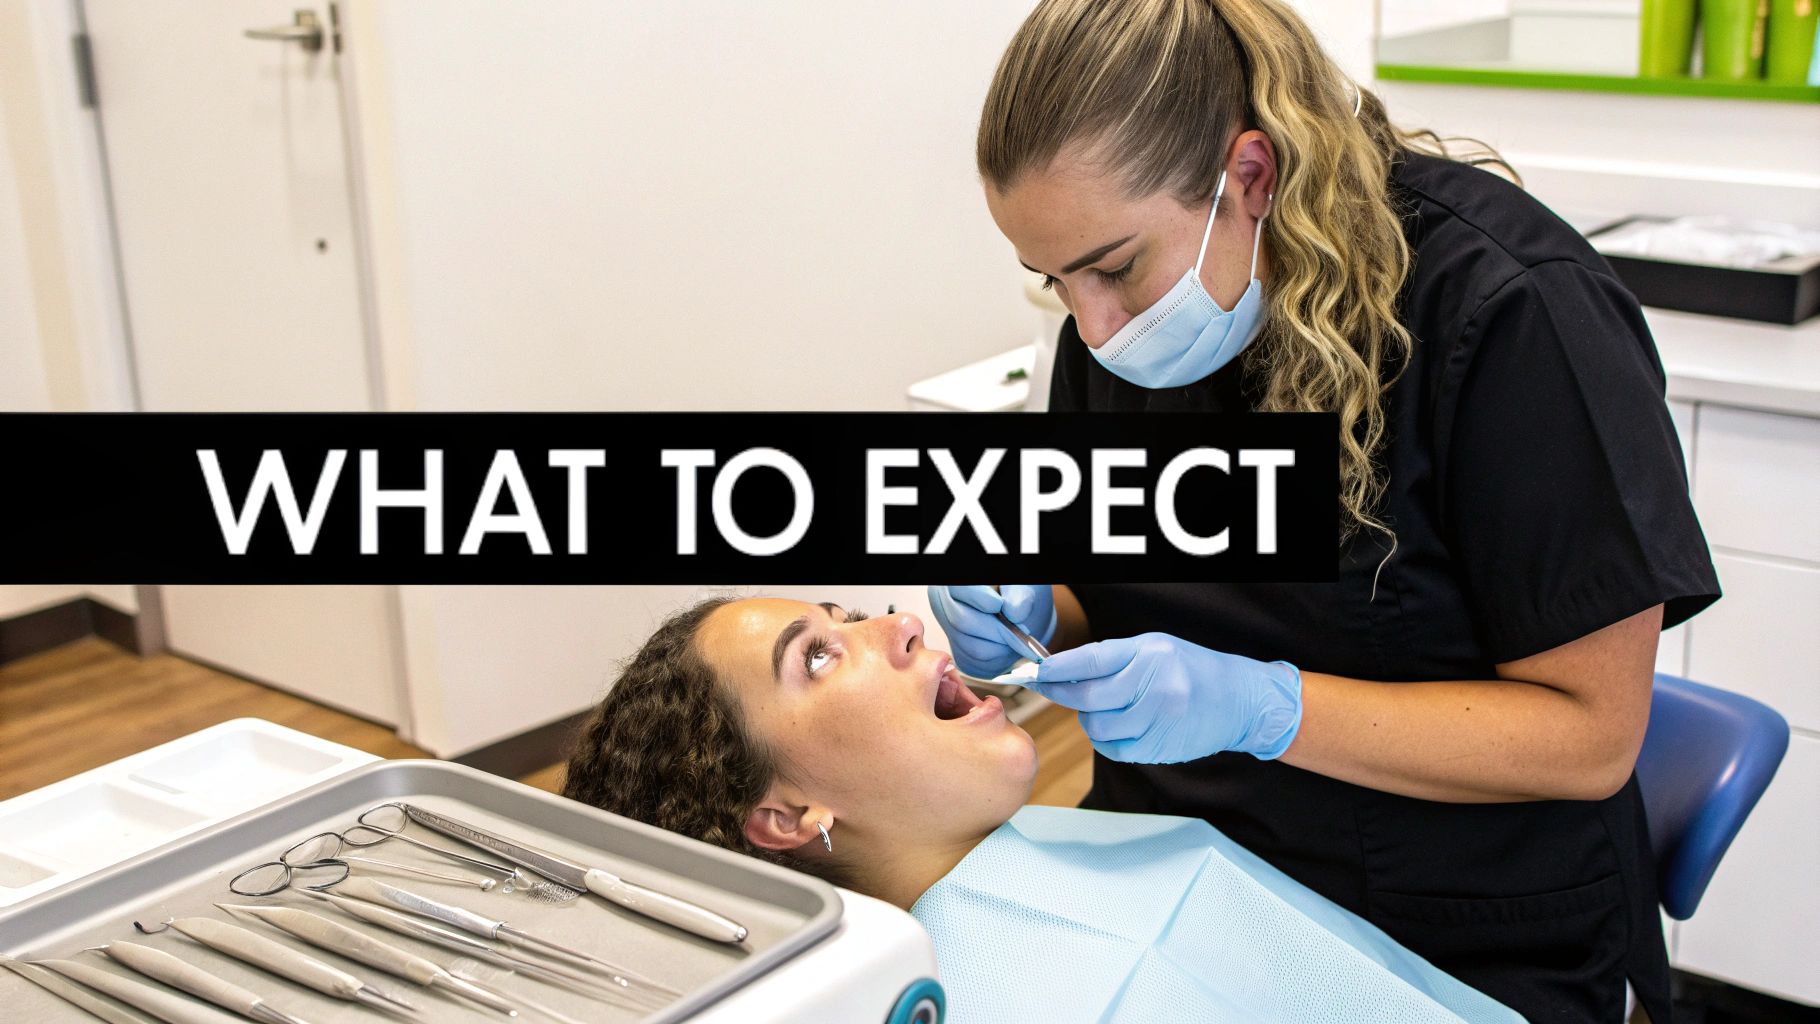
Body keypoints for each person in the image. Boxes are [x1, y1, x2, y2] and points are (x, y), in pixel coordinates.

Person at [932, 1, 1722, 1020]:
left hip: (1449, 934)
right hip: (1173, 873)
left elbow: (1590, 736)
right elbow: (1109, 582)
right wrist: (1035, 604)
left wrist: (1268, 706)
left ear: (1250, 177)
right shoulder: (1127, 329)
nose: (1093, 327)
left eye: (1114, 267)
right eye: (1054, 279)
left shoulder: (1511, 313)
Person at [564, 596, 1523, 1023]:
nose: (900, 625)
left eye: (847, 616)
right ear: (786, 814)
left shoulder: (1085, 849)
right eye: (817, 657)